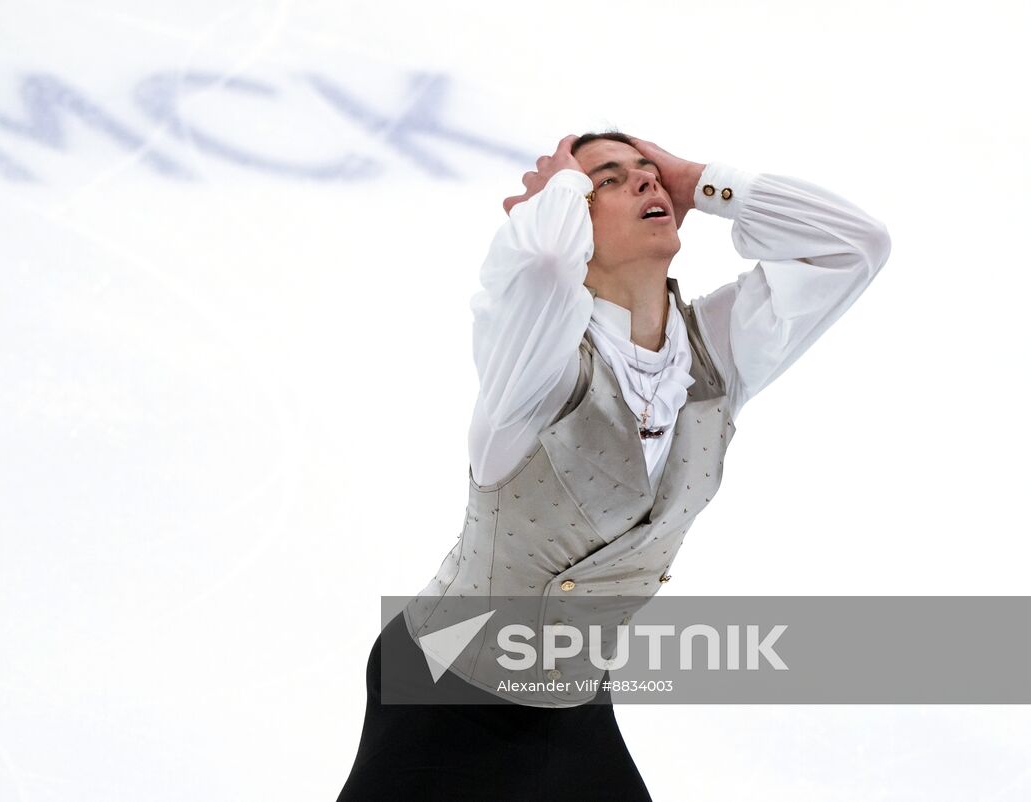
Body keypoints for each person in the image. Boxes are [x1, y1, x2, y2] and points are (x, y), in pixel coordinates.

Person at [335, 131, 892, 800]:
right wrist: (562, 188)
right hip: (442, 690)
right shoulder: (537, 369)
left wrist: (700, 180)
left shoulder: (716, 354)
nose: (645, 182)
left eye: (648, 173)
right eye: (610, 178)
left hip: (571, 698)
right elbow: (540, 262)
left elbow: (855, 247)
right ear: (574, 222)